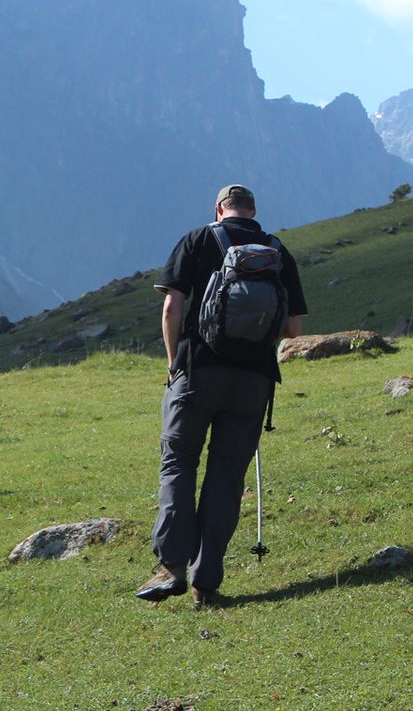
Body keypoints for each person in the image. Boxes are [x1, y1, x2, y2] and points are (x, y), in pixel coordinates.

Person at [137, 185, 308, 607]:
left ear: (218, 210)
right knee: (227, 475)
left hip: (197, 371)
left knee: (179, 464)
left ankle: (172, 567)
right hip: (252, 383)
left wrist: (173, 359)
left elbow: (171, 306)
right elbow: (293, 330)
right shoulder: (276, 251)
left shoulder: (198, 239)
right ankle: (205, 583)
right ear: (254, 213)